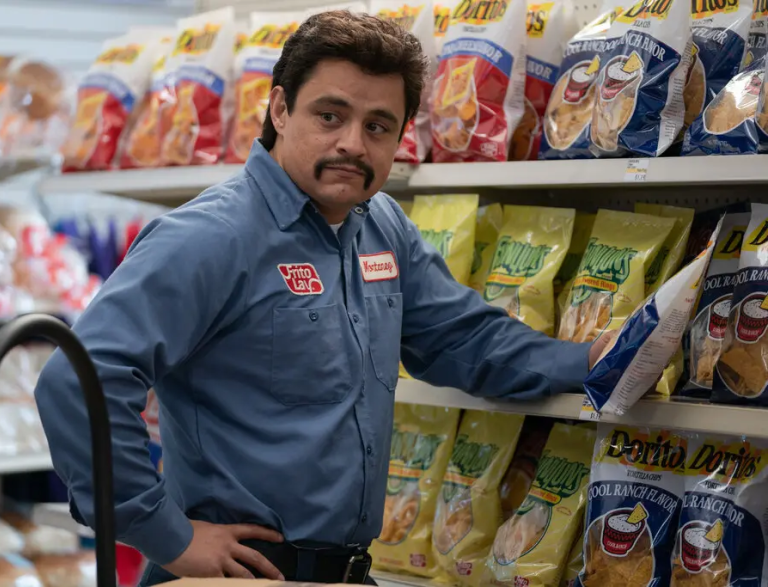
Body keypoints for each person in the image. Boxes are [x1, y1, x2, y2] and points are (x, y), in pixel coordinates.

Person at [34, 10, 609, 587]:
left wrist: (589, 361)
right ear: (280, 110)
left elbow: (462, 337)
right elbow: (78, 381)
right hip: (237, 575)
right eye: (330, 116)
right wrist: (165, 534)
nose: (352, 145)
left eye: (378, 126)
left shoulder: (382, 226)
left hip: (350, 572)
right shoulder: (213, 236)